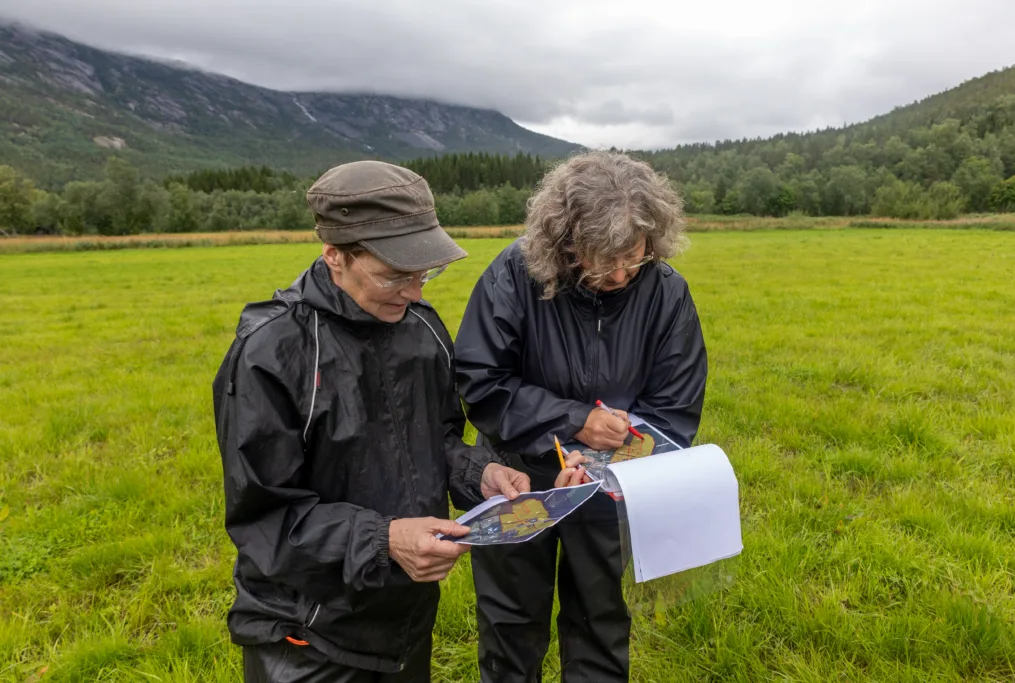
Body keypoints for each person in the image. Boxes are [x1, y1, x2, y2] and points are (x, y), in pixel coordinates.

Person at [211, 160, 582, 682]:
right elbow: (264, 516)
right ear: (334, 255)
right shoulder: (272, 352)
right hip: (307, 636)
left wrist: (480, 474)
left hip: (406, 620)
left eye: (424, 273)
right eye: (395, 275)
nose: (415, 293)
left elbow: (438, 439)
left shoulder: (422, 330)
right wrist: (384, 540)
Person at [453, 150, 709, 683]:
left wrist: (612, 458)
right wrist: (572, 422)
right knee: (509, 623)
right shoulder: (515, 273)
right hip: (517, 479)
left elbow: (674, 408)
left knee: (600, 621)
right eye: (601, 260)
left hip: (611, 489)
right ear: (565, 243)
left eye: (633, 257)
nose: (619, 275)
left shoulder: (667, 292)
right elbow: (481, 382)